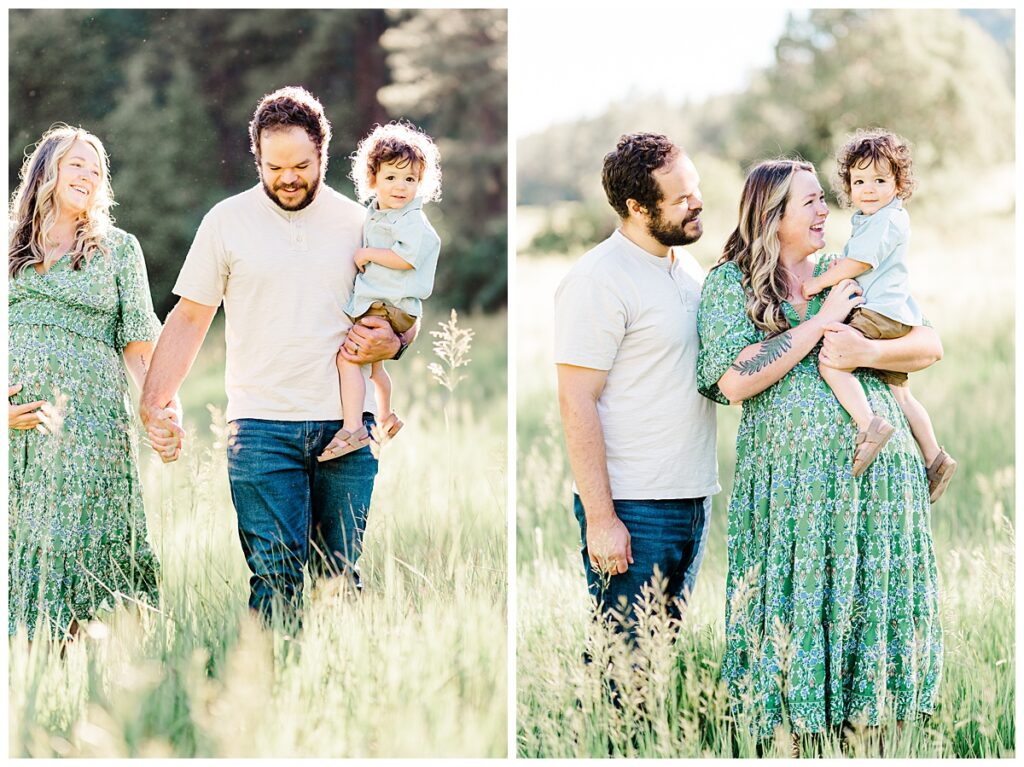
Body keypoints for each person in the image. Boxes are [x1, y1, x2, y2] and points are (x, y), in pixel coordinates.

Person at [140, 87, 417, 627]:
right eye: (274, 167)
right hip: (260, 428)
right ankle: (266, 697)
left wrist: (398, 342)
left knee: (339, 578)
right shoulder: (226, 221)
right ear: (257, 159)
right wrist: (154, 403)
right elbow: (191, 317)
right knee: (276, 578)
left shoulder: (362, 223)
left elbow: (407, 304)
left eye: (301, 165)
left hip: (346, 428)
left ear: (323, 154)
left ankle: (336, 699)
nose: (288, 177)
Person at [697, 159, 944, 740]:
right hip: (791, 495)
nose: (825, 209)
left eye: (821, 199)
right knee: (793, 613)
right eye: (809, 202)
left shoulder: (848, 269)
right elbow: (732, 381)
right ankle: (795, 740)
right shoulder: (730, 285)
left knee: (874, 614)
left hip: (879, 485)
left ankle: (879, 738)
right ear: (772, 215)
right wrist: (821, 323)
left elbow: (928, 344)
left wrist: (865, 351)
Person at [554, 133, 719, 634]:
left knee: (660, 657)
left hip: (694, 497)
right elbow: (576, 398)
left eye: (695, 188)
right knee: (624, 669)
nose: (698, 203)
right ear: (637, 207)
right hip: (634, 505)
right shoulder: (599, 279)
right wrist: (603, 521)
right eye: (681, 198)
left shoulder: (686, 267)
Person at [8, 124, 163, 641]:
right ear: (46, 170)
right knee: (22, 549)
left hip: (92, 432)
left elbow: (141, 349)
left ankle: (93, 674)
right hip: (15, 437)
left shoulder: (120, 250)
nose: (90, 175)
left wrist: (162, 411)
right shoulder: (7, 248)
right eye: (78, 163)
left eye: (98, 169)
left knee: (85, 549)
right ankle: (25, 672)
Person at [801, 128, 956, 497]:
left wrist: (818, 284)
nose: (868, 189)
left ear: (899, 184)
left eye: (880, 180)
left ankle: (869, 424)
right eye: (859, 181)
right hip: (897, 315)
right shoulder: (876, 218)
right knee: (900, 393)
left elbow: (859, 262)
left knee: (831, 362)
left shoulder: (886, 218)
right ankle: (935, 457)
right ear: (848, 185)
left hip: (879, 313)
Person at [319, 121, 441, 461]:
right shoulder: (380, 213)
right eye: (391, 178)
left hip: (391, 307)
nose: (401, 187)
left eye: (410, 179)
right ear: (372, 179)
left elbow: (405, 258)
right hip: (390, 304)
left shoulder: (410, 219)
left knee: (348, 359)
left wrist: (367, 253)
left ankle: (353, 427)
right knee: (375, 368)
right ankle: (386, 415)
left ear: (421, 182)